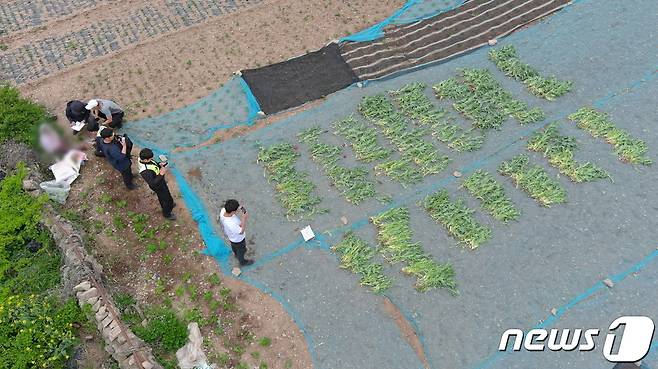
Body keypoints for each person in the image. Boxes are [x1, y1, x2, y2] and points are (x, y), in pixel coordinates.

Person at [138, 148, 176, 220]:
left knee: (167, 195)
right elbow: (153, 184)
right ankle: (167, 214)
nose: (151, 159)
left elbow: (152, 164)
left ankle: (170, 203)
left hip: (161, 182)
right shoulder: (145, 172)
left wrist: (159, 164)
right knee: (164, 199)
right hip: (158, 186)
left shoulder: (145, 160)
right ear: (145, 160)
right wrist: (161, 174)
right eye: (150, 159)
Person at [219, 199, 254, 266]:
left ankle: (235, 254)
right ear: (232, 212)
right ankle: (242, 262)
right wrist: (244, 219)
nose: (238, 210)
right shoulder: (231, 224)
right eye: (236, 210)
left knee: (234, 246)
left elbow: (238, 208)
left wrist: (242, 208)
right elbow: (241, 231)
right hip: (238, 239)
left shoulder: (223, 211)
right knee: (241, 250)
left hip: (231, 237)